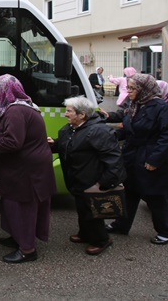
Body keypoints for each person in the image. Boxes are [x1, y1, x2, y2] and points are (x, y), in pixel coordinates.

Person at [0, 74, 56, 264]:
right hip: (28, 166)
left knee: (22, 207)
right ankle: (17, 237)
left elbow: (13, 142)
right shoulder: (23, 107)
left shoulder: (15, 111)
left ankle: (27, 249)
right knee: (12, 205)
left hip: (26, 169)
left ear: (4, 90)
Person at [103, 74, 168, 245]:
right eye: (128, 87)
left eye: (132, 88)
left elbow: (167, 136)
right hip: (132, 155)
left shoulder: (160, 107)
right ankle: (122, 225)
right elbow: (129, 128)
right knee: (129, 192)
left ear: (144, 89)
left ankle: (166, 231)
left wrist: (154, 160)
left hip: (149, 156)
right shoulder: (136, 105)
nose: (128, 91)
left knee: (154, 196)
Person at [50, 96, 125, 256]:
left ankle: (101, 240)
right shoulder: (71, 128)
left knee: (93, 211)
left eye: (69, 111)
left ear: (82, 114)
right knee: (82, 207)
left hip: (92, 181)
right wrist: (53, 144)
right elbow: (66, 144)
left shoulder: (99, 131)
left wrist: (104, 183)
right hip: (77, 179)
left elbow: (113, 159)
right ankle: (85, 233)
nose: (65, 114)